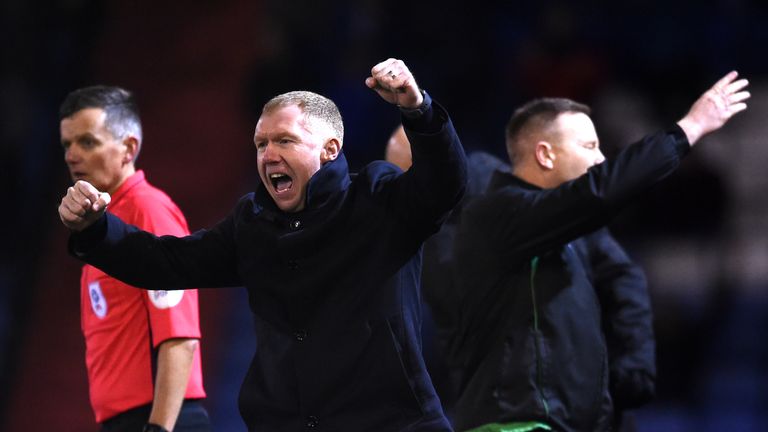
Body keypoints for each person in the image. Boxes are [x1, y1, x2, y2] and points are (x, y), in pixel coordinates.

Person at [58, 58, 468, 431]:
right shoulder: (252, 223)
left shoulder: (378, 198)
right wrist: (96, 230)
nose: (268, 154)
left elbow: (445, 184)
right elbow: (168, 262)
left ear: (330, 149)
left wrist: (419, 110)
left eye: (284, 141)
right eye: (260, 144)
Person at [447, 72, 749, 432]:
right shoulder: (499, 215)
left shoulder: (572, 233)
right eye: (590, 147)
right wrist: (688, 129)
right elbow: (599, 192)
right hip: (518, 426)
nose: (601, 159)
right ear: (545, 154)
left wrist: (627, 380)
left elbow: (622, 280)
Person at [59, 86, 209, 432]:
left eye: (87, 142)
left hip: (162, 419)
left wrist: (158, 428)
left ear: (128, 148)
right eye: (67, 144)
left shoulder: (148, 211)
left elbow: (180, 337)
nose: (71, 155)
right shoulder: (103, 226)